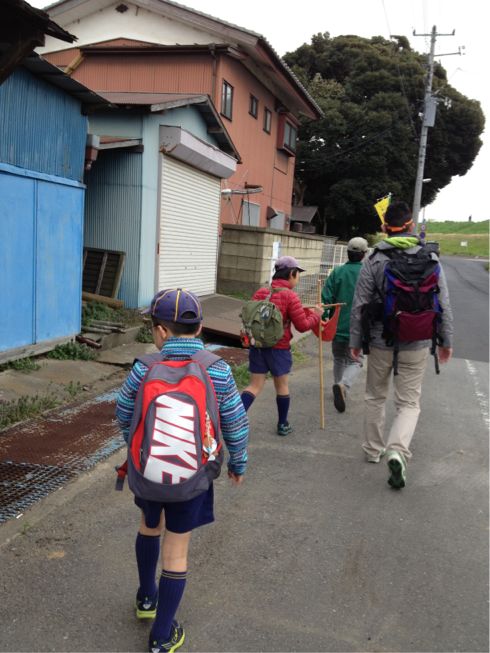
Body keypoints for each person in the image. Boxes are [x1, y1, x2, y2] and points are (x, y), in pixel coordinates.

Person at [116, 288, 249, 653]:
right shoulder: (216, 368)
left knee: (148, 526)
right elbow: (235, 422)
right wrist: (238, 462)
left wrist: (138, 448)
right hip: (192, 477)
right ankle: (162, 636)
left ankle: (146, 598)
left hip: (148, 472)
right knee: (176, 551)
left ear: (160, 331)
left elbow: (123, 412)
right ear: (200, 327)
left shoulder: (144, 367)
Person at [349, 202, 453, 489]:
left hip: (380, 340)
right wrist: (446, 341)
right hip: (417, 341)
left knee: (375, 396)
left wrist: (356, 341)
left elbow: (360, 304)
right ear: (411, 225)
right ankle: (397, 449)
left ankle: (373, 450)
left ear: (385, 228)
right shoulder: (430, 257)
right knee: (409, 402)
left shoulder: (374, 258)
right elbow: (443, 302)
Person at [240, 255, 323, 435]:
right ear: (292, 273)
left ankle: (234, 420)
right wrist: (316, 315)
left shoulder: (261, 292)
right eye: (298, 274)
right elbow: (302, 326)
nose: (298, 277)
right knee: (282, 386)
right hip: (279, 349)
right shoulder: (290, 296)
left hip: (258, 346)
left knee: (254, 385)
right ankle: (282, 424)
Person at [322, 236, 368, 413]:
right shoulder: (367, 274)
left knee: (339, 358)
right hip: (359, 328)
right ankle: (343, 385)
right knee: (357, 361)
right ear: (364, 254)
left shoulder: (337, 272)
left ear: (347, 253)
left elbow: (326, 299)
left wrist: (324, 318)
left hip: (337, 326)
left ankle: (338, 386)